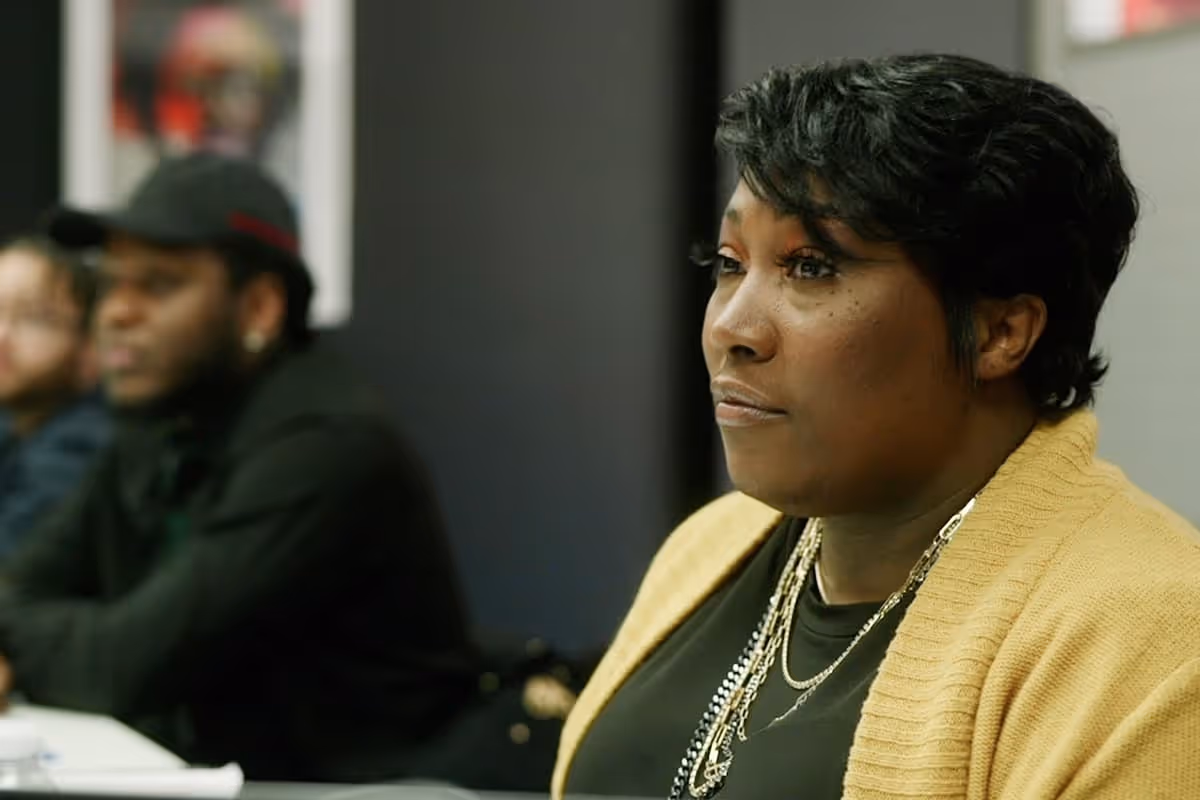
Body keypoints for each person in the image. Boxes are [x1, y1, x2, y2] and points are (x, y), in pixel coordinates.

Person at [555, 54, 1200, 800]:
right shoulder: (713, 544)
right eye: (728, 263)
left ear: (999, 333)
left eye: (810, 267)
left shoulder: (1152, 641)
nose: (731, 327)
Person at [0, 153, 478, 782]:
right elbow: (19, 584)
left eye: (158, 284)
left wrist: (23, 640)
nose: (117, 311)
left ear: (258, 308)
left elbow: (121, 667)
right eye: (112, 283)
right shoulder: (160, 419)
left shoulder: (326, 444)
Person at [0, 236, 108, 558]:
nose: (3, 335)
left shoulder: (80, 445)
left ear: (91, 350)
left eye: (34, 317)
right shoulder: (17, 422)